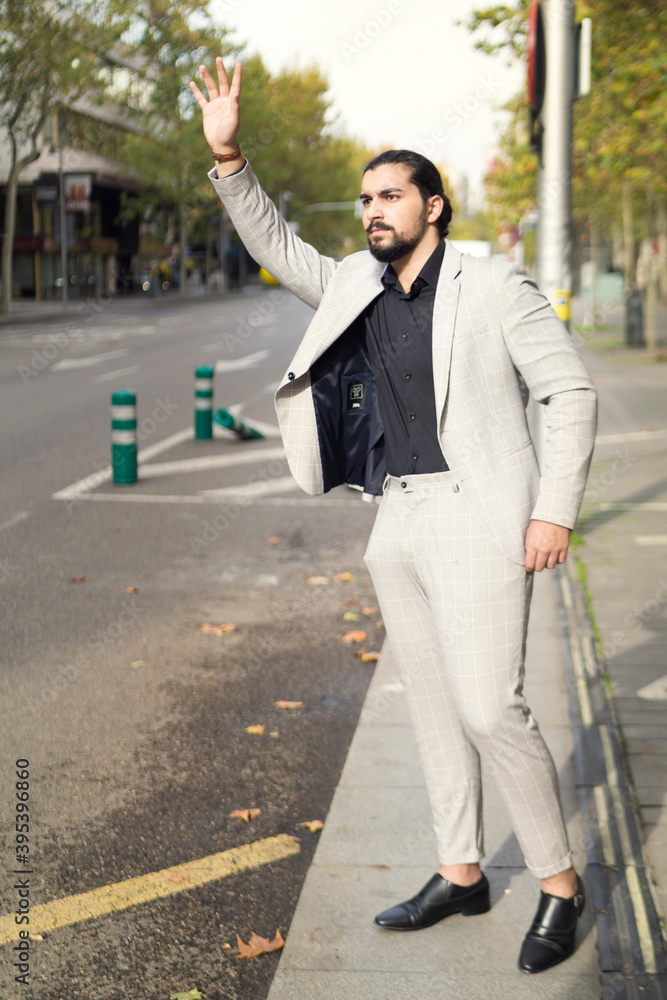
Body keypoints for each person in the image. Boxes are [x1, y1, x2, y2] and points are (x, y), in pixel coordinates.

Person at [190, 58, 597, 974]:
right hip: (401, 520)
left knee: (490, 707)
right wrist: (229, 159)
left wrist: (553, 512)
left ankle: (559, 884)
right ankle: (460, 872)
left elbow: (570, 391)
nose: (372, 211)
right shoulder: (355, 284)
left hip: (483, 516)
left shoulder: (492, 287)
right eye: (365, 199)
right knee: (436, 711)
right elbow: (276, 242)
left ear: (433, 207)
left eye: (390, 197)